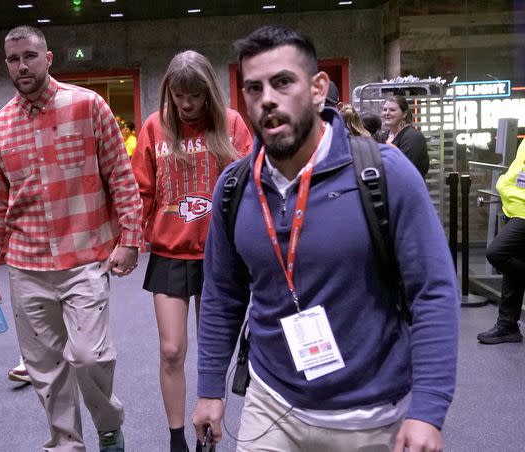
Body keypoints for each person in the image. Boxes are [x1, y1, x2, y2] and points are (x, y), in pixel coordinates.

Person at [191, 25, 459, 452]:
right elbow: (223, 294)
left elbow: (433, 291)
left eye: (283, 82)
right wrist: (209, 388)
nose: (268, 100)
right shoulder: (234, 188)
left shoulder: (383, 174)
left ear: (318, 89)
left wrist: (427, 409)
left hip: (370, 414)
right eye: (254, 88)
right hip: (272, 402)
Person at [0, 25, 141, 452]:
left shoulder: (88, 106)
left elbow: (121, 176)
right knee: (44, 368)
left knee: (89, 356)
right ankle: (67, 443)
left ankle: (108, 424)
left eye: (30, 56)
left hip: (85, 257)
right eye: (13, 59)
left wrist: (131, 237)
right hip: (26, 265)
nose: (22, 65)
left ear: (48, 58)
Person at [130, 49, 251, 452]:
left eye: (195, 96)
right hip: (170, 253)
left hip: (219, 254)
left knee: (212, 350)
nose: (186, 104)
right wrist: (127, 242)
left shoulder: (231, 125)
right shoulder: (154, 127)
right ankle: (177, 438)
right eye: (179, 95)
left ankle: (210, 430)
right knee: (171, 350)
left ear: (207, 93)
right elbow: (140, 192)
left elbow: (251, 187)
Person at [477, 137, 525, 344]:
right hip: (514, 209)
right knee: (513, 268)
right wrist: (505, 182)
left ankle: (507, 325)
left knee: (497, 253)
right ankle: (508, 325)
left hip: (523, 213)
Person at [380, 95, 429, 178]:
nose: (387, 113)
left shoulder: (414, 137)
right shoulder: (384, 135)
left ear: (404, 114)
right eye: (385, 110)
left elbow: (403, 169)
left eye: (392, 110)